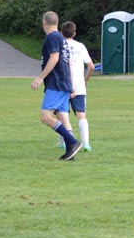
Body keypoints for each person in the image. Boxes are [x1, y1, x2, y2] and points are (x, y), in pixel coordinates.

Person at [30, 11, 82, 161]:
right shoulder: (61, 38)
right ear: (57, 23)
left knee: (45, 117)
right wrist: (70, 84)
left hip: (56, 83)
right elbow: (67, 62)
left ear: (44, 23)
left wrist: (40, 78)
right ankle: (70, 153)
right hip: (64, 83)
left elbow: (55, 58)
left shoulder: (52, 37)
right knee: (63, 117)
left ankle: (72, 142)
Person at [58, 21, 95, 152]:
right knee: (81, 114)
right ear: (74, 33)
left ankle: (62, 142)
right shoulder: (80, 46)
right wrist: (85, 80)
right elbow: (91, 67)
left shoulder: (59, 45)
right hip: (79, 85)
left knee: (62, 114)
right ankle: (86, 144)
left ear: (61, 32)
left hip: (62, 85)